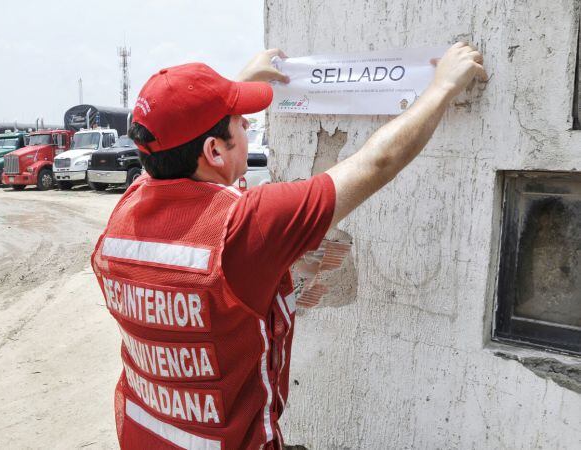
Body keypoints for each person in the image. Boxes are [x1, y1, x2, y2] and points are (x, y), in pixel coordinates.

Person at [91, 43, 485, 449]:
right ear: (213, 150)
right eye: (240, 122)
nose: (247, 125)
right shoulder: (245, 225)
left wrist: (234, 87)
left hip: (143, 435)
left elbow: (178, 143)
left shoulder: (128, 209)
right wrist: (442, 87)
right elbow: (375, 163)